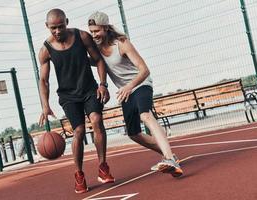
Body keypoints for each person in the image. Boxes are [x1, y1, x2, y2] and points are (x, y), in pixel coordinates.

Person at [87, 11, 183, 177]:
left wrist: (130, 86)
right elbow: (89, 61)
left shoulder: (122, 43)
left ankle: (169, 159)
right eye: (92, 31)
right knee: (134, 134)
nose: (94, 35)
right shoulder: (96, 49)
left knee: (145, 115)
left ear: (106, 28)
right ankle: (169, 154)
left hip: (140, 84)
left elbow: (144, 70)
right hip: (126, 92)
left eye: (97, 31)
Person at [38, 9, 115, 194]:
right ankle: (79, 175)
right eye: (53, 28)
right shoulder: (45, 50)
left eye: (61, 26)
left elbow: (98, 60)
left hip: (89, 89)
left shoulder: (82, 36)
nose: (57, 31)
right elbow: (43, 80)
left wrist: (103, 84)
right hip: (68, 96)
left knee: (96, 120)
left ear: (67, 22)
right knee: (78, 131)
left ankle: (103, 167)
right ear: (47, 26)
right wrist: (45, 106)